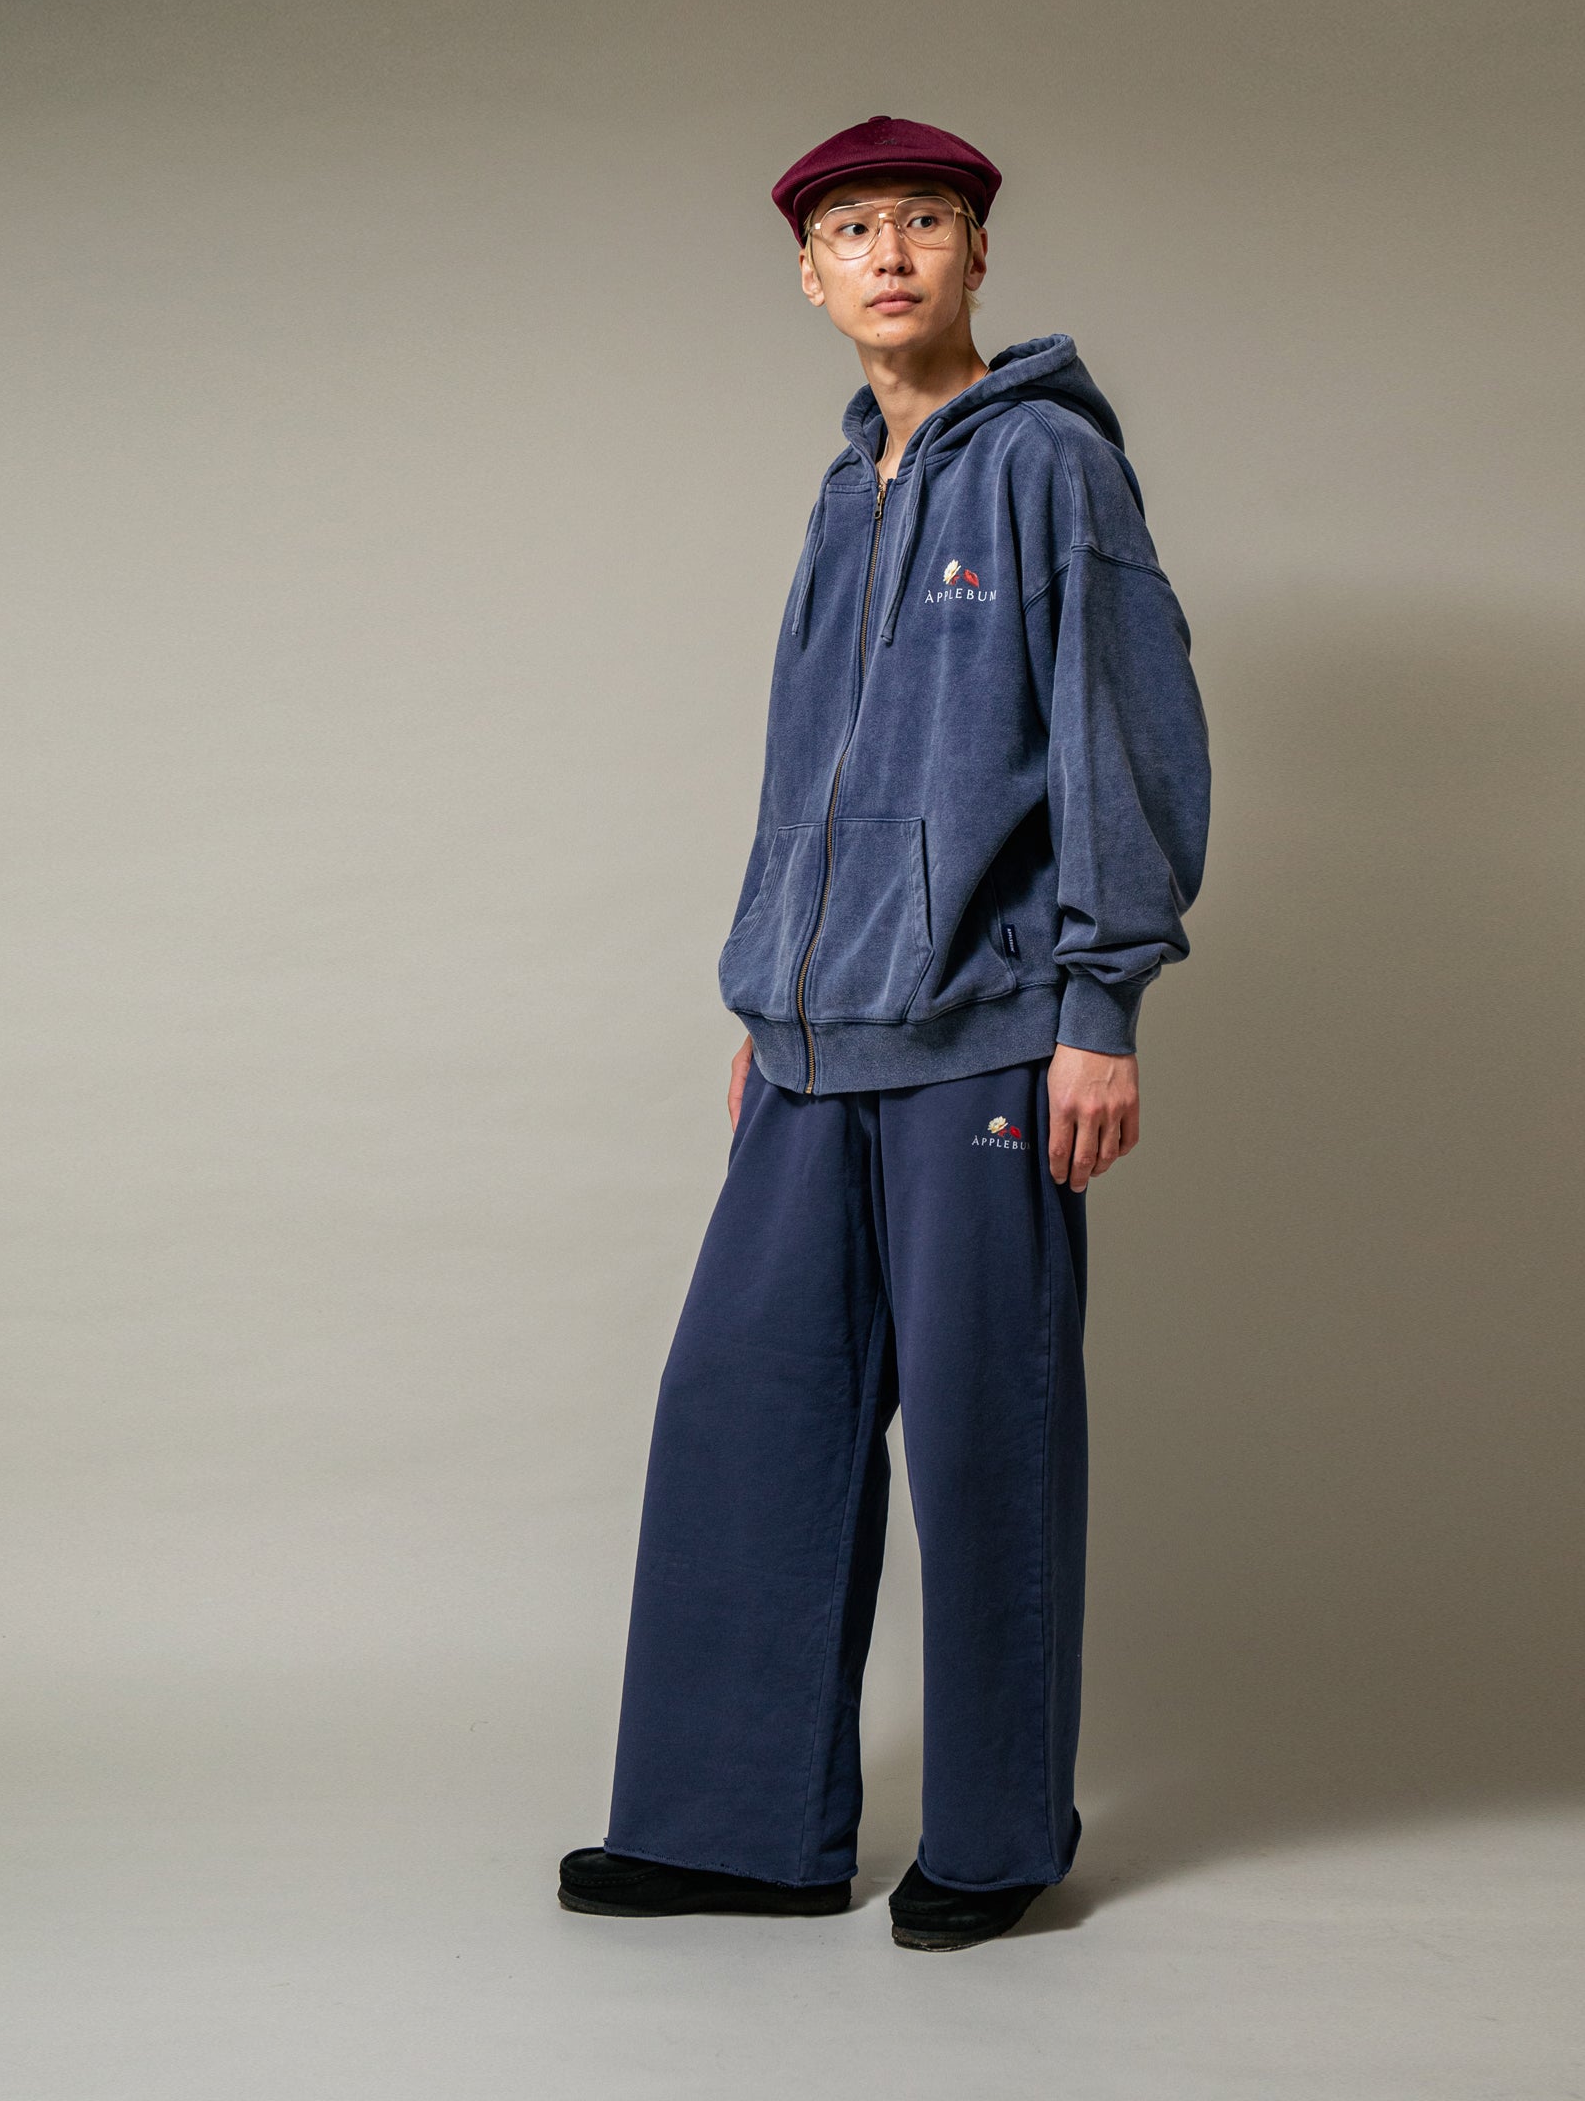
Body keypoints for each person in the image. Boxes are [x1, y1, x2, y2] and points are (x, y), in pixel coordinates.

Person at [558, 115, 1211, 1951]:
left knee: (988, 1441)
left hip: (990, 1034)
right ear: (811, 275)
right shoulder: (847, 491)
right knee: (745, 1414)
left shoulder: (1051, 466)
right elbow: (806, 776)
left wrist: (1099, 1006)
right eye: (854, 230)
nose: (892, 253)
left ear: (979, 254)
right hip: (814, 1037)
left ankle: (996, 1842)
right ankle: (734, 1829)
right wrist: (772, 983)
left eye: (926, 221)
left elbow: (1125, 737)